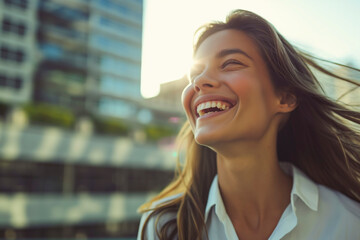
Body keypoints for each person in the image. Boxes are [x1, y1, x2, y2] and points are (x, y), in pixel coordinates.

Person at [137, 9, 360, 240]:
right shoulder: (164, 227)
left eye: (231, 63)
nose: (199, 81)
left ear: (284, 98)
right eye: (194, 73)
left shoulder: (350, 222)